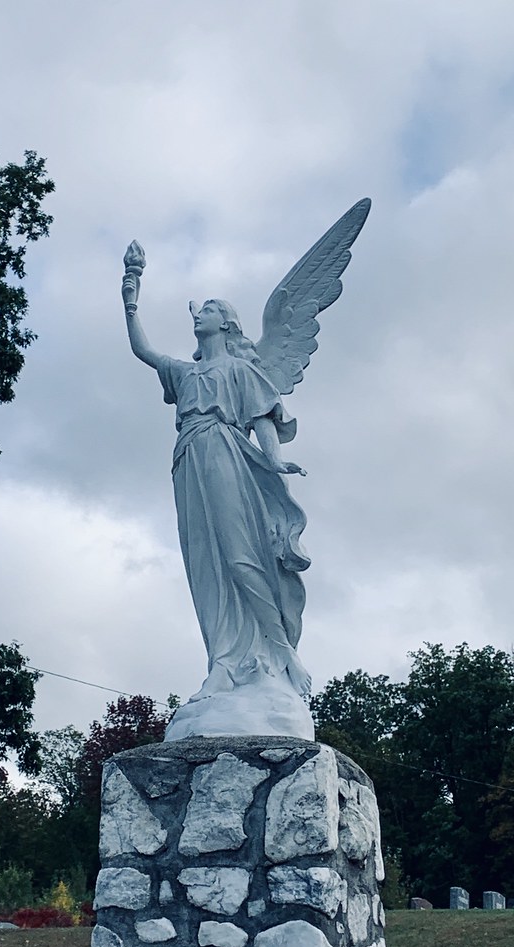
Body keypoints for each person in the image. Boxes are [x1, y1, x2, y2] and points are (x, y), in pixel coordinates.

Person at [122, 256, 312, 708]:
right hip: (187, 457)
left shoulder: (241, 371)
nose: (200, 313)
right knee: (204, 564)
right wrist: (130, 302)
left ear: (226, 324)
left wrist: (276, 462)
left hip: (223, 450)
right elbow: (143, 352)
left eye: (209, 308)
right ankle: (224, 662)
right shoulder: (186, 373)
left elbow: (261, 415)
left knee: (239, 552)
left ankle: (281, 652)